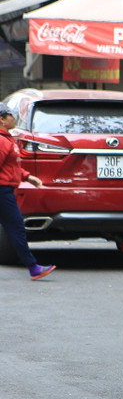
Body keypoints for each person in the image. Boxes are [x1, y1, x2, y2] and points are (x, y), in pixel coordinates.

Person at [0, 105, 55, 280]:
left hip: (6, 190)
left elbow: (11, 166)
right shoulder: (2, 141)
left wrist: (27, 177)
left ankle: (33, 267)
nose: (14, 118)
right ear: (2, 119)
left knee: (14, 228)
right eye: (11, 115)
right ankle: (33, 267)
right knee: (16, 228)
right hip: (2, 192)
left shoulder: (7, 139)